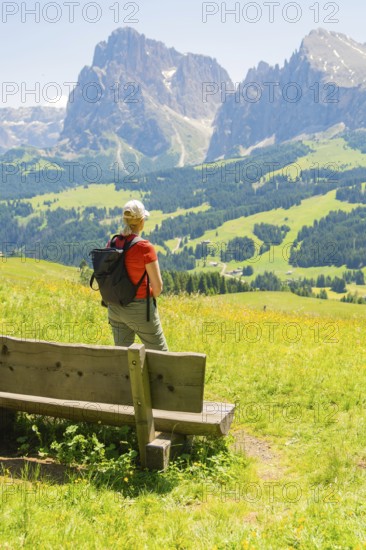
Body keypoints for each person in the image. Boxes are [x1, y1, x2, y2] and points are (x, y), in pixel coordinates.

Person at [107, 199, 168, 351]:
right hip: (140, 309)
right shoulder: (144, 247)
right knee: (162, 356)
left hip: (115, 308)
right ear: (141, 221)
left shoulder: (113, 242)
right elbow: (158, 288)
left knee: (124, 358)